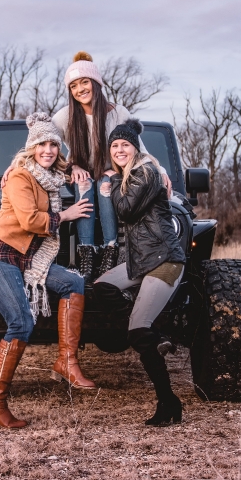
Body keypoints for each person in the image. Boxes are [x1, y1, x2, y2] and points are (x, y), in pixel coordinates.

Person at [2, 52, 171, 283]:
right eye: (73, 86)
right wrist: (17, 164)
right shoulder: (65, 116)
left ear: (96, 83)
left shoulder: (118, 113)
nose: (80, 89)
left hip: (113, 179)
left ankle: (110, 251)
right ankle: (86, 255)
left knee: (104, 182)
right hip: (80, 179)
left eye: (84, 82)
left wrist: (160, 172)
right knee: (85, 182)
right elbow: (41, 141)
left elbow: (138, 148)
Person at [0, 112, 96, 430]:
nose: (48, 149)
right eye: (41, 144)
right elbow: (30, 221)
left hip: (27, 258)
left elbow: (75, 169)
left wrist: (82, 171)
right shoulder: (19, 176)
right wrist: (66, 216)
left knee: (73, 282)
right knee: (21, 322)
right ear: (31, 148)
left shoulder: (51, 178)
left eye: (53, 144)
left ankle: (66, 361)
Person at [93, 118, 186, 426]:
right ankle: (155, 334)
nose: (119, 150)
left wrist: (108, 188)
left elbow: (126, 210)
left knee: (136, 332)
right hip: (141, 261)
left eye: (125, 145)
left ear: (135, 148)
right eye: (115, 146)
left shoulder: (145, 172)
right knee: (103, 286)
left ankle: (168, 402)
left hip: (164, 261)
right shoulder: (131, 174)